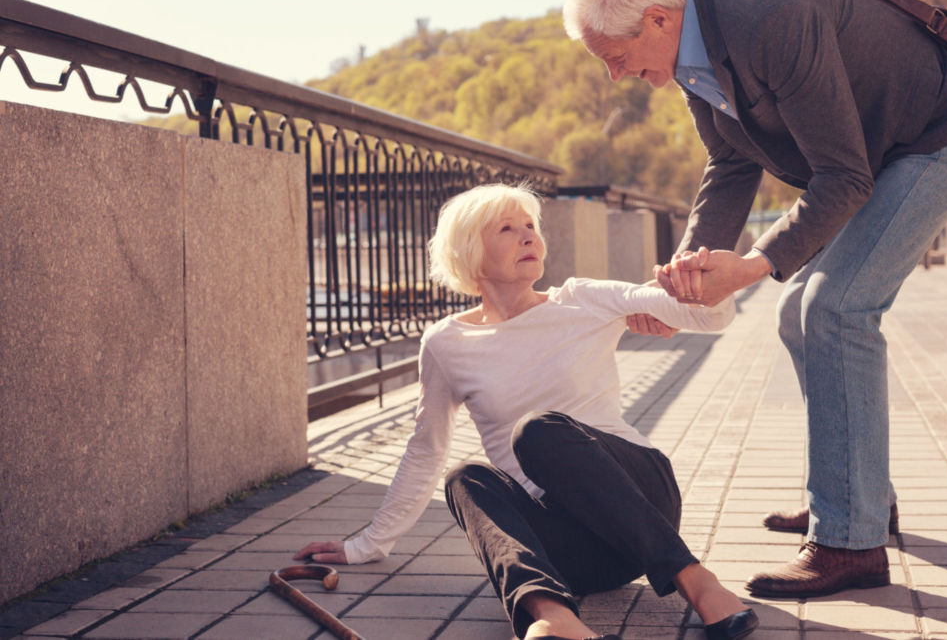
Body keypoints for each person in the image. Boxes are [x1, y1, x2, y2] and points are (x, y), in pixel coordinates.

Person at [563, 0, 947, 598]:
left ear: (657, 21)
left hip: (942, 137)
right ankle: (860, 494)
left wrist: (754, 264)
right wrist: (679, 285)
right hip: (884, 151)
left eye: (617, 56)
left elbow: (844, 176)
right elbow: (731, 161)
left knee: (834, 309)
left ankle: (851, 542)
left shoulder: (768, 13)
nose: (616, 74)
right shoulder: (693, 46)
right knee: (798, 311)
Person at [294, 184, 759, 640]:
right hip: (583, 556)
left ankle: (697, 581)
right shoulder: (444, 343)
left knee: (537, 431)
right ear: (469, 253)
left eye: (531, 226)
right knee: (464, 477)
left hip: (643, 505)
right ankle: (550, 615)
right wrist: (368, 544)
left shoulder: (583, 298)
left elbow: (708, 318)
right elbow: (425, 448)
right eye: (506, 228)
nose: (528, 236)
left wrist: (700, 281)